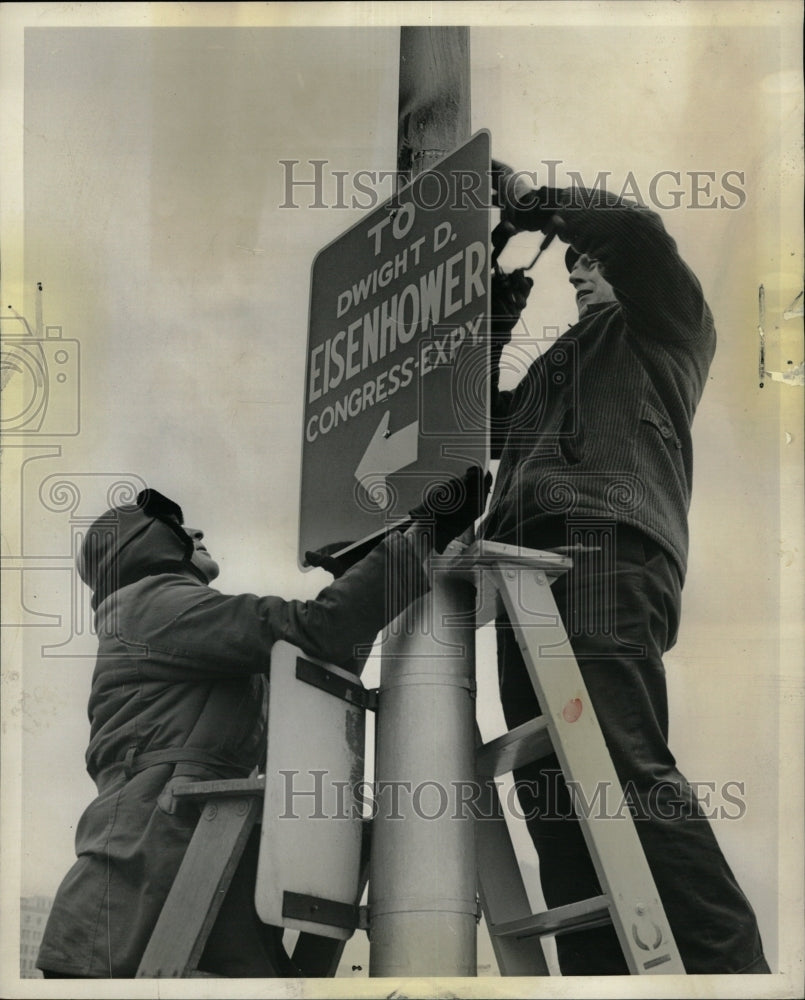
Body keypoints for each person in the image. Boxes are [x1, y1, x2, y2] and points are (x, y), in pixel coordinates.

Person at [484, 166, 770, 975]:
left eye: (586, 258)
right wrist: (494, 316)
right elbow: (475, 420)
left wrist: (532, 200)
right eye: (568, 263)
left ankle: (731, 973)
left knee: (619, 761)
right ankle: (599, 982)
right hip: (519, 570)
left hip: (603, 546)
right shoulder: (557, 366)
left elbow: (634, 234)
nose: (576, 269)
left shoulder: (667, 324)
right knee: (551, 793)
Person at [37, 471, 488, 979]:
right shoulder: (147, 606)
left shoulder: (168, 623)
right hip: (134, 894)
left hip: (186, 872)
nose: (198, 534)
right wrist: (424, 532)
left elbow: (311, 675)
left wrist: (361, 573)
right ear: (141, 544)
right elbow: (315, 631)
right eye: (178, 527)